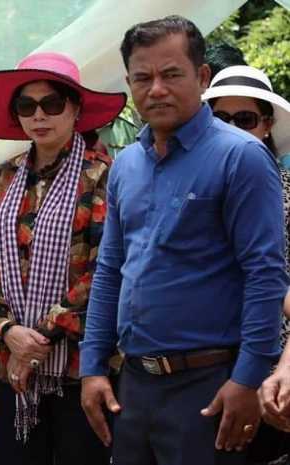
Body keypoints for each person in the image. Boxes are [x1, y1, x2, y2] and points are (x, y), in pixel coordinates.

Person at [80, 15, 288, 465]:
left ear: (202, 76)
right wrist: (92, 366)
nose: (156, 89)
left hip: (209, 386)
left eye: (171, 74)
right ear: (129, 84)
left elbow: (265, 275)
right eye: (143, 78)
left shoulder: (241, 157)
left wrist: (247, 378)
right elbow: (110, 271)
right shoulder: (126, 166)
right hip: (134, 383)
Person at [0, 51, 126, 464]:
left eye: (52, 103)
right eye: (27, 105)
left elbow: (106, 269)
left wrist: (37, 339)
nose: (40, 115)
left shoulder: (106, 176)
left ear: (76, 109)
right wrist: (8, 331)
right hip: (10, 359)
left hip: (81, 362)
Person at [202, 65, 290, 465]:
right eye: (222, 118)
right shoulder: (185, 188)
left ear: (267, 125)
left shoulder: (285, 193)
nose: (233, 129)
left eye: (246, 119)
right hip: (196, 366)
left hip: (272, 371)